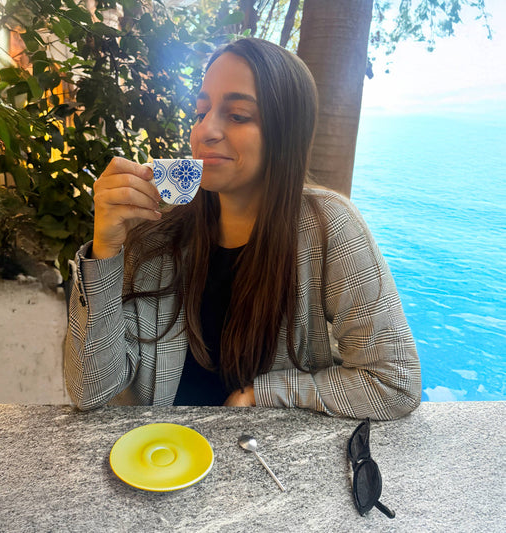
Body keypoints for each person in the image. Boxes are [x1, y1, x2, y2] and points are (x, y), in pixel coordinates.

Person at [64, 38, 421, 419]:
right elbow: (90, 391)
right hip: (161, 451)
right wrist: (105, 250)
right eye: (201, 112)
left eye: (237, 115)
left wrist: (261, 394)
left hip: (265, 452)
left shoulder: (328, 228)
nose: (205, 131)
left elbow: (394, 383)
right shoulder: (156, 236)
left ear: (286, 134)